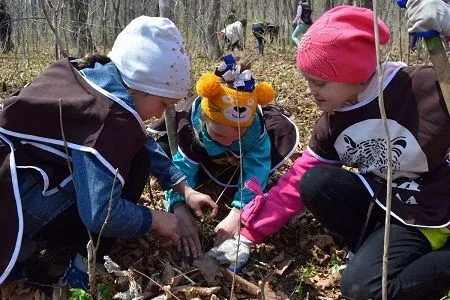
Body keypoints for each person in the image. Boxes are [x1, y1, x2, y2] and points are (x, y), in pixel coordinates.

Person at [210, 5, 450, 298]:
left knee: (367, 291)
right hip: (381, 201)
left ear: (355, 72)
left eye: (319, 82)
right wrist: (248, 233)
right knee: (315, 181)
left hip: (428, 206)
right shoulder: (334, 120)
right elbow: (298, 180)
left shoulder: (421, 87)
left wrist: (448, 29)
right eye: (308, 80)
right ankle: (370, 245)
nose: (311, 90)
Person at [0, 16, 218, 288]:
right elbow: (101, 214)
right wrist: (154, 219)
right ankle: (80, 267)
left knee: (134, 152)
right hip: (20, 204)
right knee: (133, 166)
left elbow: (140, 139)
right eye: (163, 103)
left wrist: (183, 187)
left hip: (14, 188)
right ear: (143, 86)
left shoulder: (93, 75)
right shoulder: (111, 119)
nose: (162, 114)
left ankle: (32, 243)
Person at [149, 55, 299, 269]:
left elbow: (256, 168)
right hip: (206, 159)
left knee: (256, 169)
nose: (229, 141)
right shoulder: (193, 125)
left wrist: (238, 212)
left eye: (238, 136)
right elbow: (181, 167)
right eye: (220, 136)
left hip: (237, 163)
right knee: (163, 152)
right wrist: (179, 206)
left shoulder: (255, 130)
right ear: (204, 120)